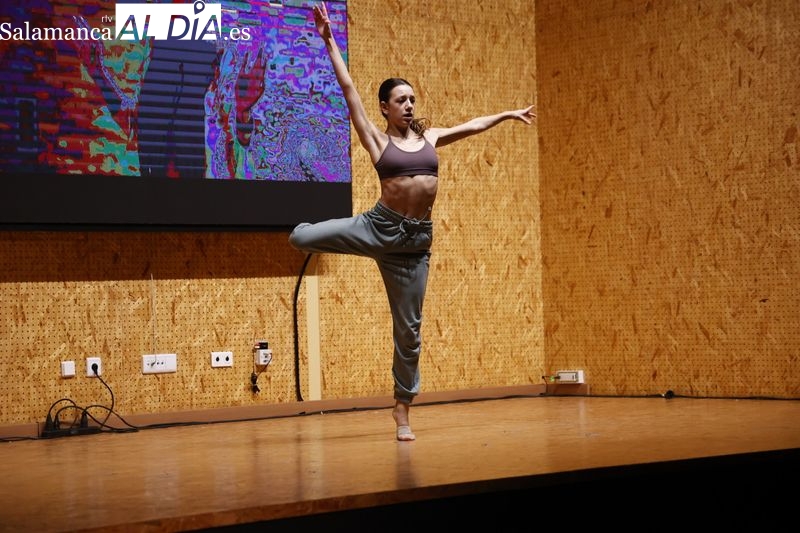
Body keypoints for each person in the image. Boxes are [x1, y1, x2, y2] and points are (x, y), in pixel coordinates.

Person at [289, 3, 536, 441]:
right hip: (377, 227)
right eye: (401, 99)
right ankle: (305, 230)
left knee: (410, 333)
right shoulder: (377, 139)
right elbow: (348, 91)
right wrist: (328, 39)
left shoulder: (431, 137)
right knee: (301, 236)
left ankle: (402, 412)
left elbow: (473, 125)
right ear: (384, 107)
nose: (409, 105)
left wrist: (506, 115)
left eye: (412, 99)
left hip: (413, 245)